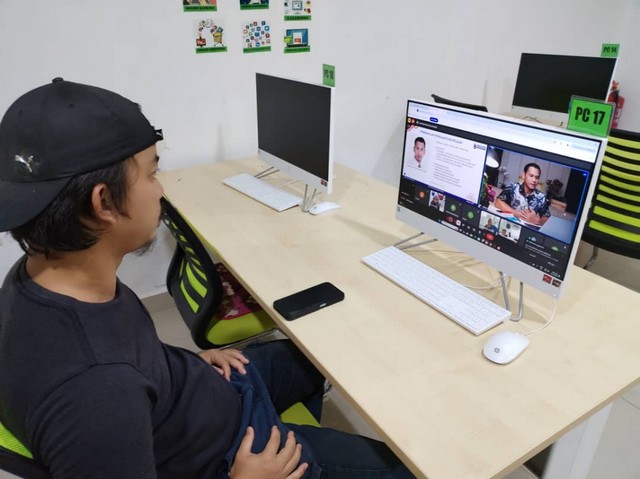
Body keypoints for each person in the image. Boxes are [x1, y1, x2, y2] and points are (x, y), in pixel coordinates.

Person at [0, 79, 414, 478]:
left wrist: (185, 365)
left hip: (207, 389)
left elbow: (126, 351)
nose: (161, 190)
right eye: (151, 174)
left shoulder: (38, 277)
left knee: (311, 355)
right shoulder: (97, 396)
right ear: (104, 202)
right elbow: (108, 380)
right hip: (228, 457)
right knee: (405, 469)